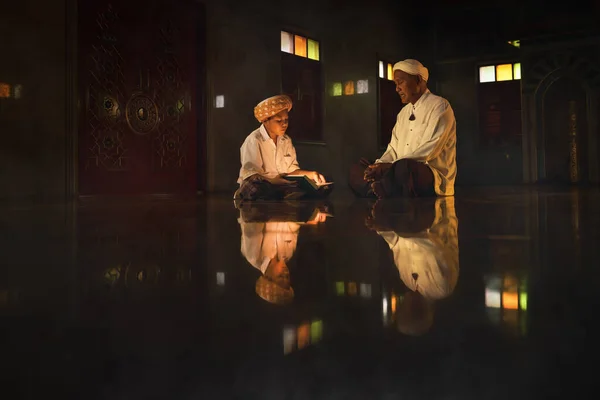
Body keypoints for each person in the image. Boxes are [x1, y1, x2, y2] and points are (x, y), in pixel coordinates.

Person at [349, 59, 457, 198]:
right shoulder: (403, 113)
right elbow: (393, 149)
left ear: (418, 80)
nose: (397, 88)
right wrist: (379, 165)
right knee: (357, 168)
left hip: (427, 173)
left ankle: (380, 188)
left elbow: (429, 150)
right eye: (396, 84)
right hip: (397, 170)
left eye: (400, 82)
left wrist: (389, 167)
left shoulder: (440, 106)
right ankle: (375, 189)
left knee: (405, 168)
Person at [367, 196, 459, 335]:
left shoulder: (408, 282)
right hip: (436, 213)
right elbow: (434, 248)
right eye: (404, 311)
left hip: (414, 212)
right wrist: (402, 229)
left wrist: (383, 229)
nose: (401, 305)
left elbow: (397, 246)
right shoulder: (441, 288)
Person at [235, 94, 331, 201]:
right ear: (265, 120)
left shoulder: (286, 140)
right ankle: (284, 196)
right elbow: (251, 175)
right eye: (279, 121)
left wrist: (311, 175)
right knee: (255, 187)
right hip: (263, 185)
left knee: (319, 186)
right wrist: (272, 181)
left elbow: (292, 172)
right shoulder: (254, 140)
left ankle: (285, 196)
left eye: (286, 120)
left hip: (282, 185)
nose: (284, 124)